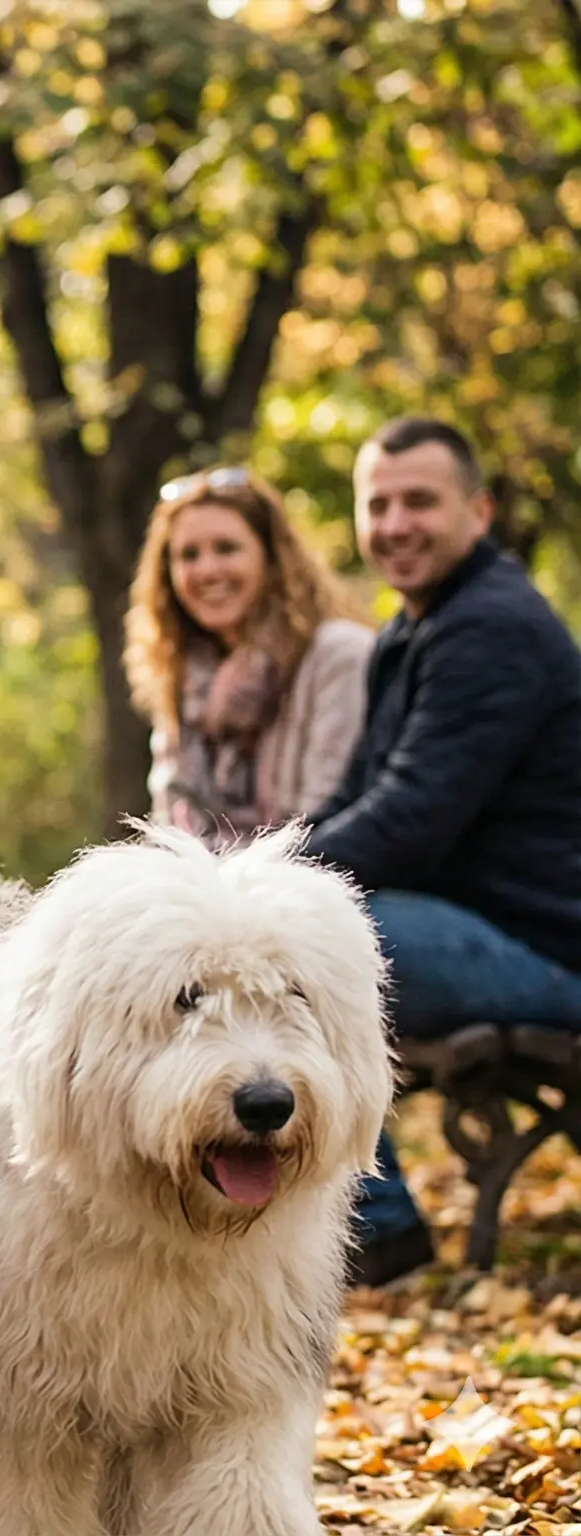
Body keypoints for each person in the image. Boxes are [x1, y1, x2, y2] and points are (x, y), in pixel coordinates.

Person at [293, 420, 581, 1287]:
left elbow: (410, 818)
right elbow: (356, 803)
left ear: (479, 511)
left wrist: (267, 889)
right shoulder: (413, 631)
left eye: (421, 500)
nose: (396, 523)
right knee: (299, 929)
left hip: (548, 953)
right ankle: (359, 1222)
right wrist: (264, 867)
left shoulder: (493, 628)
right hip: (477, 932)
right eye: (377, 505)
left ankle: (379, 1231)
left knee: (318, 943)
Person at [123, 464, 373, 848]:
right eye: (188, 555)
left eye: (227, 548)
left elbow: (325, 827)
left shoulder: (337, 656)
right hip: (203, 889)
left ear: (272, 559)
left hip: (305, 887)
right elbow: (167, 830)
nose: (206, 570)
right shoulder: (185, 676)